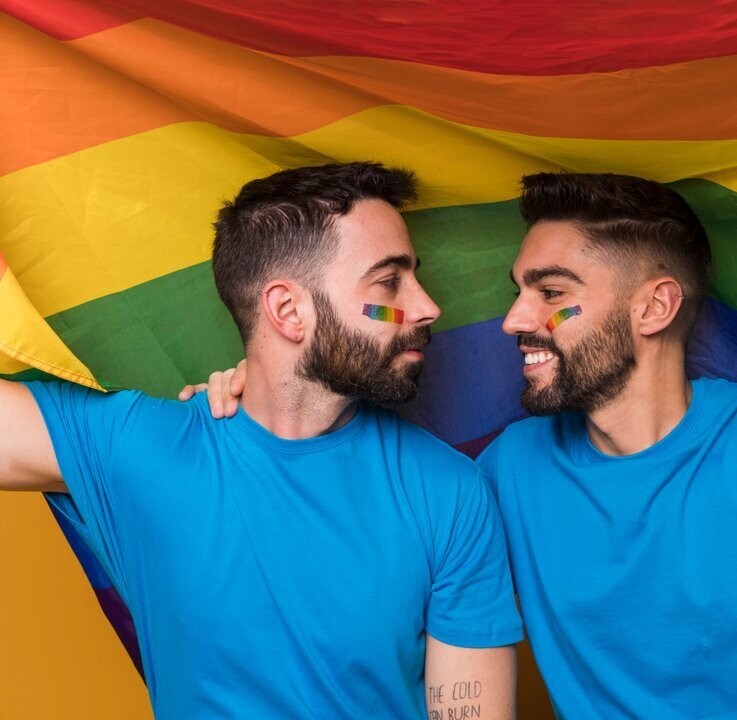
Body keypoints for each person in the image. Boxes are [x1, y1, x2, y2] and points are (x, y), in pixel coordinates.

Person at [195, 171, 737, 719]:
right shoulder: (503, 480)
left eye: (553, 292)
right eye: (518, 289)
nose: (512, 320)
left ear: (654, 308)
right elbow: (353, 507)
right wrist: (250, 393)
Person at [0, 162, 522, 720]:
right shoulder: (135, 446)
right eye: (389, 282)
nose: (426, 307)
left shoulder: (452, 493)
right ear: (288, 311)